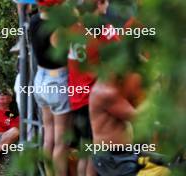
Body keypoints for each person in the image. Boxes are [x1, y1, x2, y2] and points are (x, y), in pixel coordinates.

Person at [68, 0, 120, 175]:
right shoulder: (102, 27)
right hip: (92, 98)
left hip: (76, 97)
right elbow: (121, 54)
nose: (108, 6)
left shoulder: (73, 27)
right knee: (94, 154)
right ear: (99, 3)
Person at [29, 1, 72, 175]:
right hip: (57, 81)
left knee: (49, 137)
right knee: (61, 142)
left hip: (40, 79)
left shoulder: (34, 20)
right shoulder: (57, 28)